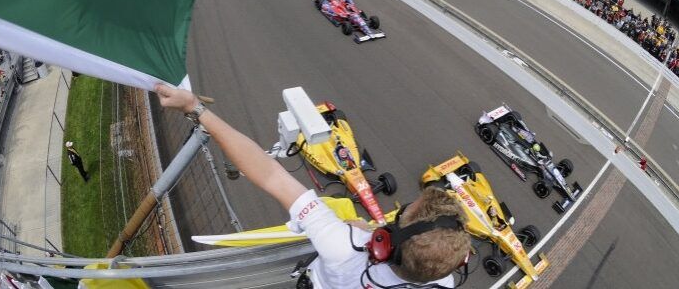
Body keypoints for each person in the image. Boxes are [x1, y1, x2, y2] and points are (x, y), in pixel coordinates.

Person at [155, 85, 471, 288]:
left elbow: (270, 174)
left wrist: (195, 108)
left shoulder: (344, 245)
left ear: (381, 243)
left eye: (399, 216)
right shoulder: (442, 280)